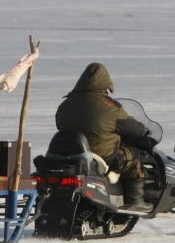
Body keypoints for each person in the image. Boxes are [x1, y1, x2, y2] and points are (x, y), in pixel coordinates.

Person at [54, 62, 151, 212]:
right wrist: (143, 130)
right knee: (134, 158)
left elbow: (60, 126)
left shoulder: (65, 104)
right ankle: (136, 200)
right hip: (103, 155)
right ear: (105, 83)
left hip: (69, 154)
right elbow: (134, 129)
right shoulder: (109, 107)